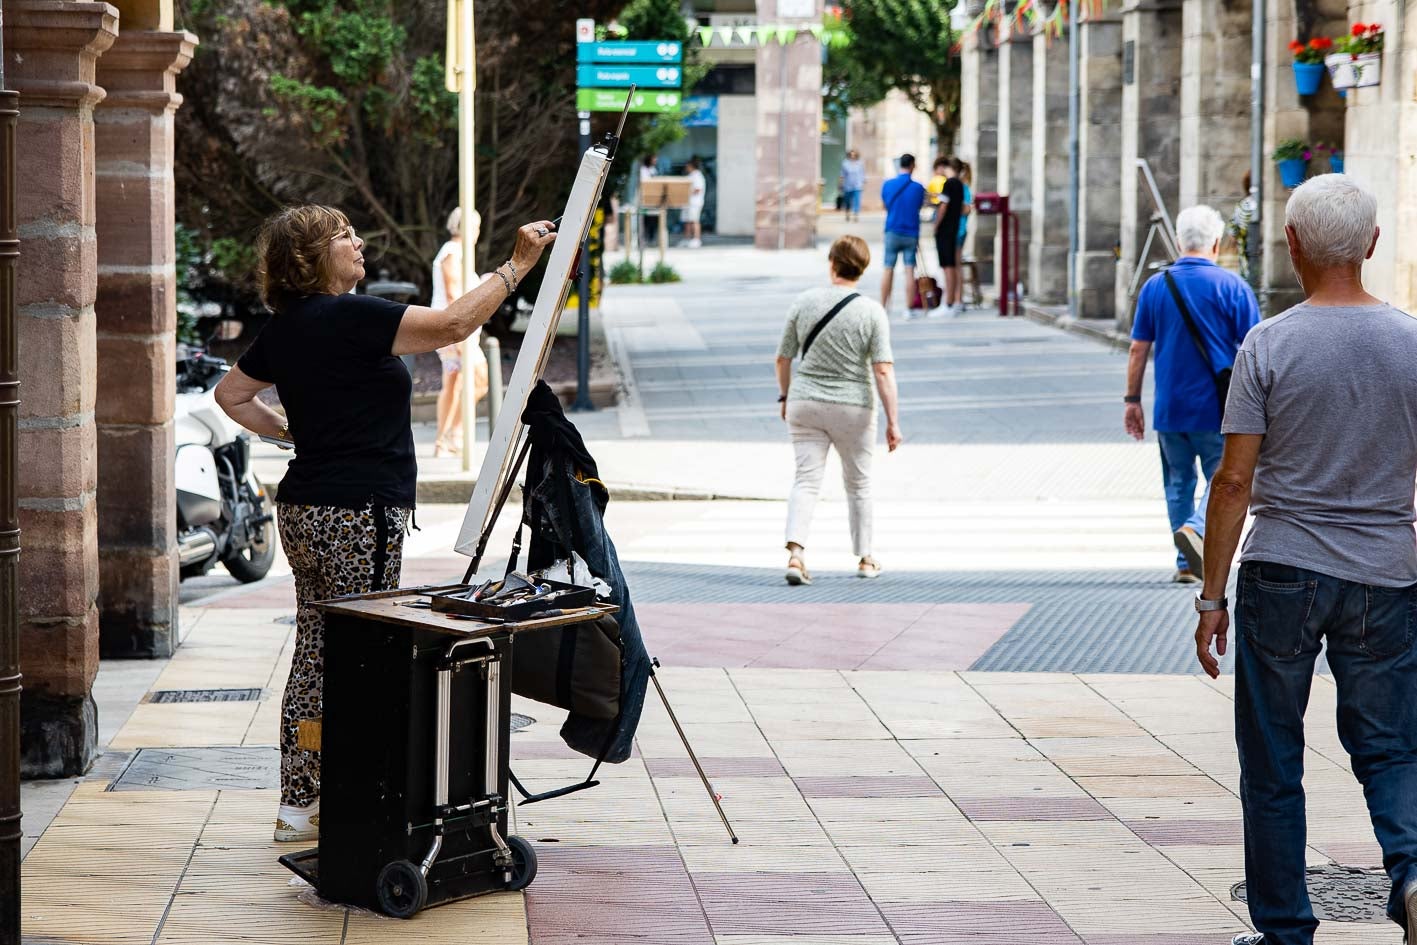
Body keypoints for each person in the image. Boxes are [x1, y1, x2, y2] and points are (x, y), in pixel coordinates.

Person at [213, 205, 556, 842]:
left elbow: (231, 396)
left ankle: (300, 797)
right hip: (356, 513)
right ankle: (353, 793)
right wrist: (517, 266)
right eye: (343, 236)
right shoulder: (353, 315)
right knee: (362, 652)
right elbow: (454, 323)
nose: (359, 242)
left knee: (317, 649)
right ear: (311, 258)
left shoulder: (284, 328)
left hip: (304, 508)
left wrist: (292, 431)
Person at [1194, 175, 1417, 945]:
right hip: (1386, 571)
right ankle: (1413, 872)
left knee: (1271, 753)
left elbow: (1231, 480)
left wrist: (1209, 596)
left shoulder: (1269, 343)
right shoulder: (1412, 343)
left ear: (1291, 247)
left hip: (1281, 569)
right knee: (1390, 745)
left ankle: (1285, 928)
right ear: (1373, 245)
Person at [1123, 205, 1259, 584]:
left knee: (1178, 480)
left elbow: (1138, 349)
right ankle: (1196, 530)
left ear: (1180, 242)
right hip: (1218, 408)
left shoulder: (1155, 287)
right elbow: (1256, 350)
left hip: (1170, 408)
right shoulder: (1233, 288)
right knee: (1222, 477)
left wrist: (1132, 401)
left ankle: (1185, 562)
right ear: (1217, 243)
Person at [775, 235, 902, 584]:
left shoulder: (803, 302)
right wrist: (893, 421)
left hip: (805, 403)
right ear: (862, 269)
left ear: (831, 263)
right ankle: (865, 558)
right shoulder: (872, 311)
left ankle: (796, 555)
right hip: (854, 408)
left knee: (806, 479)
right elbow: (882, 369)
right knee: (859, 483)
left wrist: (785, 397)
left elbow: (783, 357)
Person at [430, 207, 489, 457]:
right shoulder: (453, 253)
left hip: (455, 329)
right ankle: (450, 435)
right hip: (455, 330)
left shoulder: (457, 253)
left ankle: (448, 437)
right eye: (475, 227)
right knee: (475, 379)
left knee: (457, 383)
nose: (477, 232)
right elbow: (453, 291)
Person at [879, 154, 927, 316]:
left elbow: (885, 205)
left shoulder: (888, 185)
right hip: (911, 232)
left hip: (892, 229)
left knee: (888, 269)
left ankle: (883, 306)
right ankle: (908, 308)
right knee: (909, 271)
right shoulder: (918, 188)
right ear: (912, 165)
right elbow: (919, 206)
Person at [928, 157, 965, 318]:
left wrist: (936, 225)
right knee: (952, 267)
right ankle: (953, 301)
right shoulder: (960, 185)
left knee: (947, 267)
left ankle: (948, 302)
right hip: (954, 228)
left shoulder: (949, 184)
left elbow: (943, 206)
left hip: (945, 230)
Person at [682, 157, 706, 248]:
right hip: (687, 202)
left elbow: (697, 189)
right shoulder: (690, 175)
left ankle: (697, 239)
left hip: (695, 202)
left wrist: (686, 193)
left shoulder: (697, 175)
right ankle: (687, 239)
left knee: (694, 221)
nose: (686, 167)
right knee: (687, 221)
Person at [839, 149, 865, 221]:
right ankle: (847, 213)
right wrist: (840, 184)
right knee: (848, 201)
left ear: (856, 155)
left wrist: (863, 184)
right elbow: (842, 175)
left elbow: (862, 174)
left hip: (857, 185)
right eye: (851, 155)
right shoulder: (845, 163)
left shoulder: (860, 163)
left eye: (854, 155)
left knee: (857, 200)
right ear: (849, 155)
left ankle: (856, 215)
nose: (852, 156)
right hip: (847, 185)